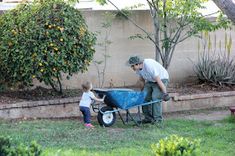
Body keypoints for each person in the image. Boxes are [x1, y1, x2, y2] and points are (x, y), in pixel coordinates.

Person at [127, 56, 170, 124]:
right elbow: (141, 80)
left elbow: (158, 81)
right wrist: (142, 93)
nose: (132, 68)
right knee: (144, 97)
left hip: (162, 79)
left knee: (155, 97)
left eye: (132, 66)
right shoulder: (138, 69)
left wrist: (165, 93)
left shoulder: (149, 65)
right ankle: (148, 119)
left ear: (137, 64)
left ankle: (157, 120)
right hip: (151, 80)